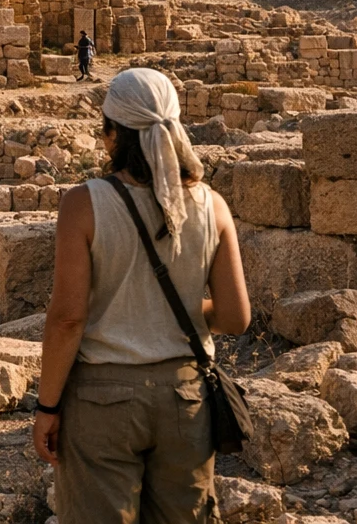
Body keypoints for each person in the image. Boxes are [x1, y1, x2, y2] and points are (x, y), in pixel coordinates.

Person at [32, 68, 250, 523]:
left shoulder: (84, 204)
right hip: (186, 398)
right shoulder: (213, 205)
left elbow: (69, 319)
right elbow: (234, 317)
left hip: (102, 400)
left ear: (111, 133)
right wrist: (182, 314)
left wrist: (47, 406)